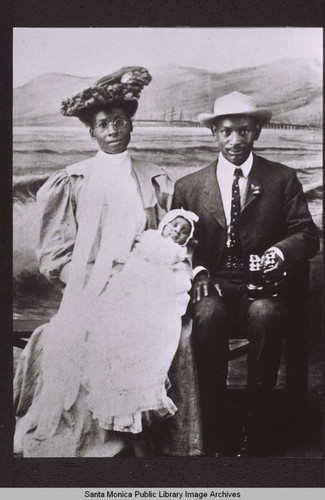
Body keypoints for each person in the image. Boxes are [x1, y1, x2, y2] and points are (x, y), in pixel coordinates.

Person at [14, 67, 203, 457]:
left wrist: (172, 273)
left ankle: (163, 439)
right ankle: (93, 439)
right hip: (89, 282)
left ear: (130, 125)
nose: (113, 129)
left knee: (172, 336)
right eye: (104, 124)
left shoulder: (155, 180)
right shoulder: (73, 181)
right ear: (93, 132)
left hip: (145, 281)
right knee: (78, 333)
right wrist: (89, 280)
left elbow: (173, 239)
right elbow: (54, 255)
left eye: (120, 121)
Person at [172, 91, 320, 456]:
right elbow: (175, 244)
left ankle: (256, 424)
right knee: (207, 318)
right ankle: (215, 423)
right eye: (226, 132)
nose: (235, 140)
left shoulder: (282, 178)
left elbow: (306, 233)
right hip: (214, 283)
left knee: (266, 315)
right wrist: (200, 271)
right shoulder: (188, 187)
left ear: (256, 132)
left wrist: (279, 253)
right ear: (214, 134)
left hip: (264, 285)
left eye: (243, 131)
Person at [86, 209, 198, 434]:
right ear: (163, 226)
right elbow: (135, 266)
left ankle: (140, 409)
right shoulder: (148, 240)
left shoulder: (179, 254)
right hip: (137, 284)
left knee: (158, 324)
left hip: (160, 290)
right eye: (174, 226)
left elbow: (180, 275)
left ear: (188, 238)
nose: (177, 232)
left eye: (184, 231)